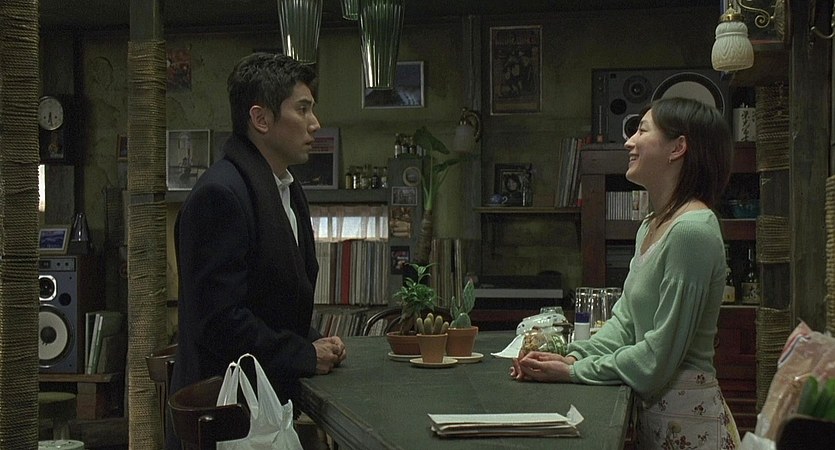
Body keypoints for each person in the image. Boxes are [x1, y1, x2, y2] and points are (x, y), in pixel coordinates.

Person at [511, 97, 740, 449]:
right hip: (657, 419)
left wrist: (573, 372)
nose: (629, 142)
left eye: (642, 131)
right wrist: (573, 356)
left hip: (690, 427)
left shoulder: (691, 232)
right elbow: (625, 323)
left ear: (678, 147)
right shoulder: (651, 225)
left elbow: (658, 358)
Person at [169, 53, 346, 448]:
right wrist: (302, 354)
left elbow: (272, 300)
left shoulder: (285, 186)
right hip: (227, 419)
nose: (315, 123)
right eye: (303, 109)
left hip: (265, 411)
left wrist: (314, 341)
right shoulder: (220, 194)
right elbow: (219, 321)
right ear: (261, 119)